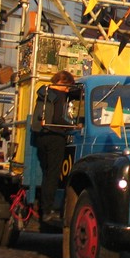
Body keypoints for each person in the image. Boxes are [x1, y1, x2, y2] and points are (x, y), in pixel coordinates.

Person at [31, 70, 77, 223]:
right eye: (68, 86)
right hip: (55, 137)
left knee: (46, 173)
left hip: (41, 136)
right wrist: (74, 125)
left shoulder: (45, 93)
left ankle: (43, 206)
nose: (68, 89)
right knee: (53, 175)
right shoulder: (60, 96)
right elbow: (58, 119)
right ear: (62, 82)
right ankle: (48, 210)